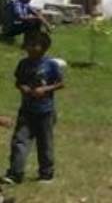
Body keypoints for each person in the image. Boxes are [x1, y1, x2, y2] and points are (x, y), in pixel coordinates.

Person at [2, 31, 63, 184]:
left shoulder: (51, 65)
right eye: (28, 45)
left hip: (45, 112)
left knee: (45, 144)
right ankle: (15, 173)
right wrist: (24, 88)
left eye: (33, 45)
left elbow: (60, 83)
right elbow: (18, 81)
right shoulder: (23, 64)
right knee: (19, 141)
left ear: (43, 48)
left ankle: (46, 173)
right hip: (26, 111)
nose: (29, 48)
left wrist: (45, 89)